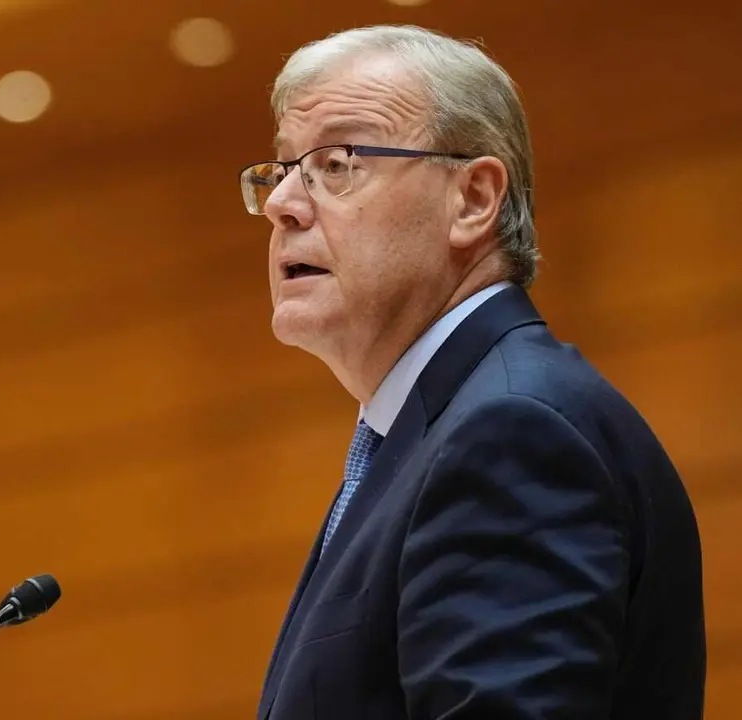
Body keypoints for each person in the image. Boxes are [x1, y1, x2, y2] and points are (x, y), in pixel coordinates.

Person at [239, 24, 705, 719]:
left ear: (474, 199)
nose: (282, 203)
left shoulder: (511, 434)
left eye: (336, 163)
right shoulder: (433, 435)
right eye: (280, 170)